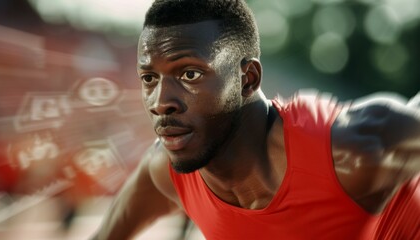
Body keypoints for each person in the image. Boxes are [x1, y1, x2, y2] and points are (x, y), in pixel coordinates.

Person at [91, 0, 420, 239]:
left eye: (189, 73)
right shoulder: (165, 171)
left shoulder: (356, 150)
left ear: (247, 79)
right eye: (149, 79)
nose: (161, 102)